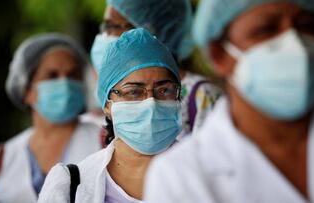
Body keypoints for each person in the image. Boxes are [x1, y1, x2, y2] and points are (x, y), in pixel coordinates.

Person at [145, 0, 314, 202]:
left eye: (307, 26)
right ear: (219, 54)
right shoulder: (180, 177)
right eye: (266, 29)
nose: (295, 43)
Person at [37, 28, 182, 203]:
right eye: (134, 92)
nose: (151, 103)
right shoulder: (71, 186)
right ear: (107, 104)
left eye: (164, 90)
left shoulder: (208, 174)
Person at [0, 33, 102, 202]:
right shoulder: (1, 160)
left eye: (73, 75)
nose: (65, 83)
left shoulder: (105, 142)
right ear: (26, 90)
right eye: (52, 75)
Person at [90, 0, 220, 139]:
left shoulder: (202, 95)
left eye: (115, 26)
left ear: (153, 30)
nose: (107, 35)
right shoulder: (116, 95)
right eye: (106, 27)